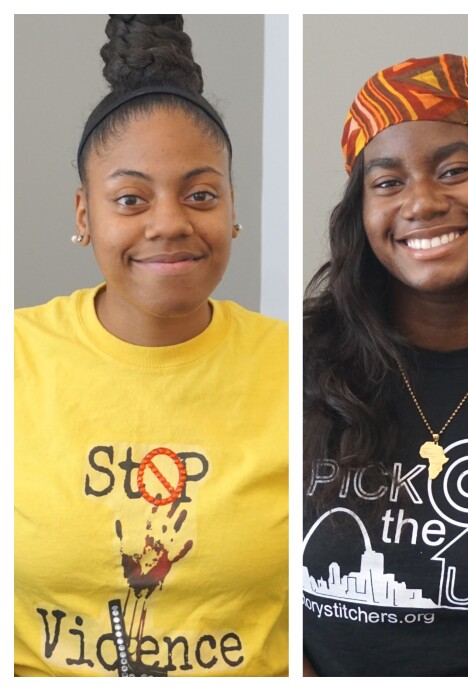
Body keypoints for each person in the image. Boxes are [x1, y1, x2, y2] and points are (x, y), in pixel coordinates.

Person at [14, 15, 288, 677]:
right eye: (131, 198)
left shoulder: (300, 364)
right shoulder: (16, 357)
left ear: (231, 210)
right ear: (85, 214)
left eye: (200, 194)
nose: (169, 223)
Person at [303, 54, 468, 676]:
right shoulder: (303, 359)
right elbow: (261, 594)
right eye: (388, 182)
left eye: (453, 171)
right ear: (362, 212)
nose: (421, 203)